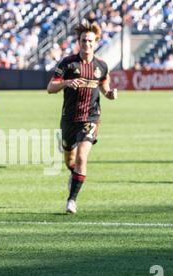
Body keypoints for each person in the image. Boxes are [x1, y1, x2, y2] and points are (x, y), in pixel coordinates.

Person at [47, 20, 118, 214]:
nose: (87, 44)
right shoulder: (67, 63)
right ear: (78, 42)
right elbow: (50, 88)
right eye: (83, 41)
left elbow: (104, 87)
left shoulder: (102, 66)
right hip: (69, 119)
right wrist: (67, 83)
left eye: (90, 41)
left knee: (81, 157)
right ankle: (75, 174)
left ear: (96, 43)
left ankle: (72, 200)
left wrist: (110, 94)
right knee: (70, 160)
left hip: (91, 118)